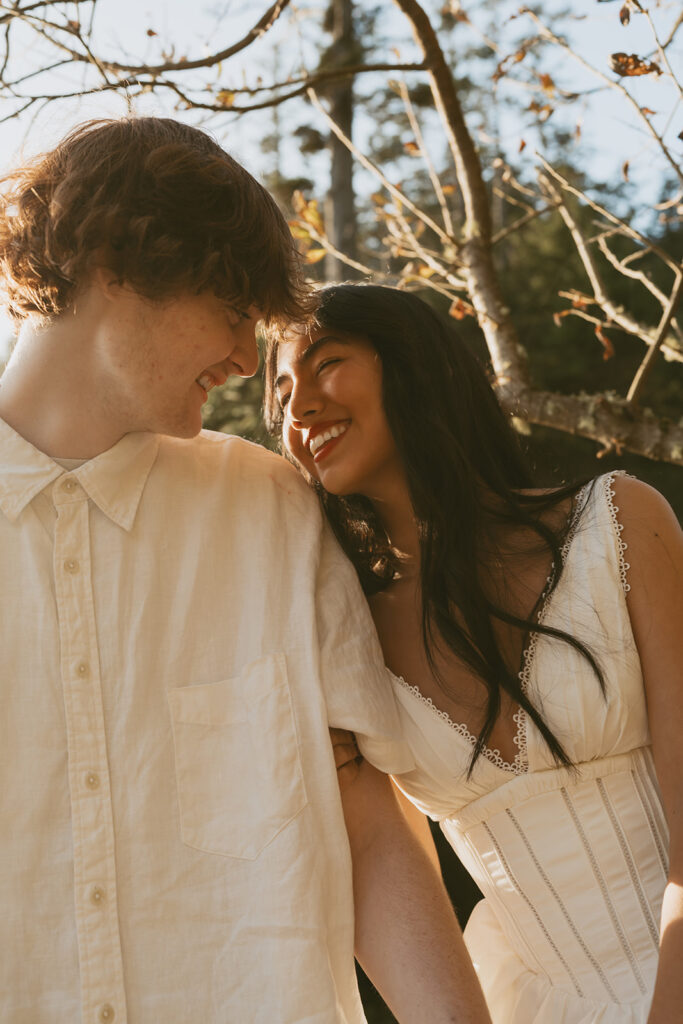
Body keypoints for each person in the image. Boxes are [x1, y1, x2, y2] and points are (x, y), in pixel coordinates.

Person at [0, 121, 493, 1024]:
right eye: (233, 312)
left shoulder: (271, 510)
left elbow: (369, 825)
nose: (243, 358)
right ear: (116, 259)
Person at [265, 282, 683, 1024]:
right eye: (282, 390)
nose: (298, 409)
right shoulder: (340, 630)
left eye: (325, 364)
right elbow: (374, 858)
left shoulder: (619, 521)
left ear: (413, 363)